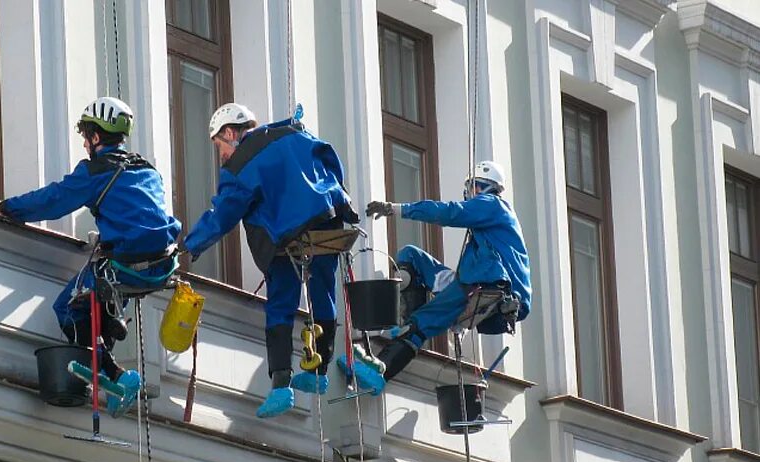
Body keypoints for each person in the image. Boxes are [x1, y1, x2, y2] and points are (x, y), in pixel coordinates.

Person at [0, 97, 182, 405]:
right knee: (99, 308)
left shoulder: (96, 171)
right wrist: (112, 231)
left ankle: (112, 375)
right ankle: (112, 384)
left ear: (96, 137)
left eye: (86, 136)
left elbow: (53, 200)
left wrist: (5, 207)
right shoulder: (147, 170)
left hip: (125, 265)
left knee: (69, 308)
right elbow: (140, 213)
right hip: (161, 266)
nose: (85, 143)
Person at [181, 103, 359, 419]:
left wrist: (190, 246)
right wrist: (339, 198)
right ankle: (319, 373)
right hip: (327, 219)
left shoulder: (239, 167)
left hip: (285, 234)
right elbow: (330, 159)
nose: (221, 155)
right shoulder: (296, 133)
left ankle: (281, 384)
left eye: (219, 145)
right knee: (323, 294)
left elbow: (223, 214)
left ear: (230, 133)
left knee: (280, 303)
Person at [348, 160, 531, 393]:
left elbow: (450, 212)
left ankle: (382, 368)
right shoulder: (491, 224)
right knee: (410, 256)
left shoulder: (492, 204)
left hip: (489, 282)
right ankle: (410, 324)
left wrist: (397, 208)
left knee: (422, 323)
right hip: (479, 279)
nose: (469, 193)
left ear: (486, 187)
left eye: (473, 187)